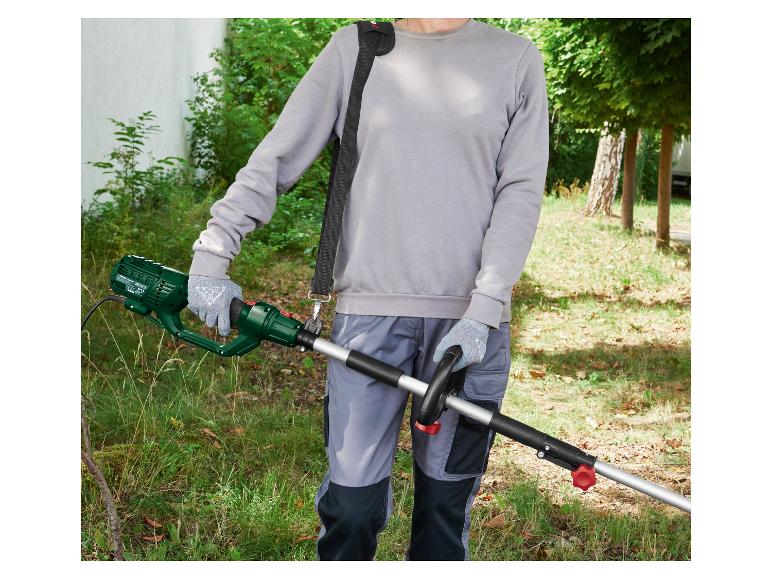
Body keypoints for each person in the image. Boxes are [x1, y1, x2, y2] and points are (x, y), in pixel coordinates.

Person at [186, 18, 548, 560]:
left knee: (444, 511)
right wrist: (213, 253)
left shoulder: (515, 60)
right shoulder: (356, 49)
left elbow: (520, 191)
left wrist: (485, 309)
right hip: (369, 321)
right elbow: (276, 157)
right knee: (351, 508)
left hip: (470, 329)